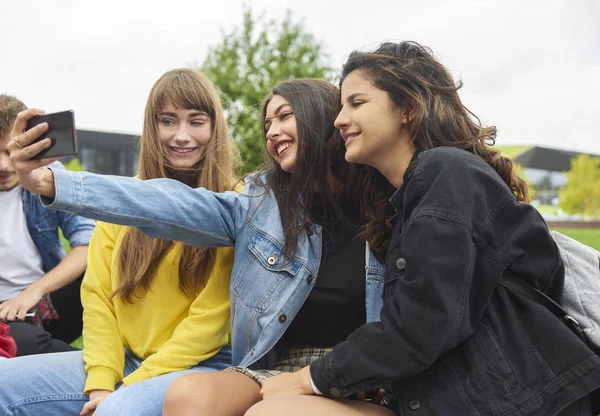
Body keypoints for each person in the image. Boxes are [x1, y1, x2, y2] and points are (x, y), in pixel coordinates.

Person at [245, 41, 600, 416]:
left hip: (516, 403)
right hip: (449, 399)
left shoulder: (446, 172)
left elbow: (423, 324)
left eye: (357, 103)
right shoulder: (405, 203)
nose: (339, 119)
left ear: (409, 109)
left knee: (275, 411)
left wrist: (308, 377)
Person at [6, 78, 395, 416]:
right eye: (267, 122)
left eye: (285, 116)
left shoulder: (387, 204)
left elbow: (211, 321)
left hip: (291, 367)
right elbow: (162, 205)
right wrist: (51, 183)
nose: (272, 130)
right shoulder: (262, 205)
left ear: (325, 119)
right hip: (260, 369)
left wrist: (128, 387)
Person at [0, 68, 237, 416]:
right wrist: (100, 382)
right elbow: (98, 300)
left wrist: (126, 389)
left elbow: (211, 323)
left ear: (215, 127)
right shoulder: (122, 198)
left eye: (196, 121)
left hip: (200, 365)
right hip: (122, 359)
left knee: (116, 412)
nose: (182, 136)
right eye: (168, 121)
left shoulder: (236, 203)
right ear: (151, 128)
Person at [0, 94, 95, 356]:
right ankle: (64, 357)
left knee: (102, 269)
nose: (4, 166)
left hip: (44, 301)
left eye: (10, 152)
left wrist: (34, 291)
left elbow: (87, 244)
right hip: (3, 316)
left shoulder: (49, 174)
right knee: (26, 342)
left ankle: (34, 344)